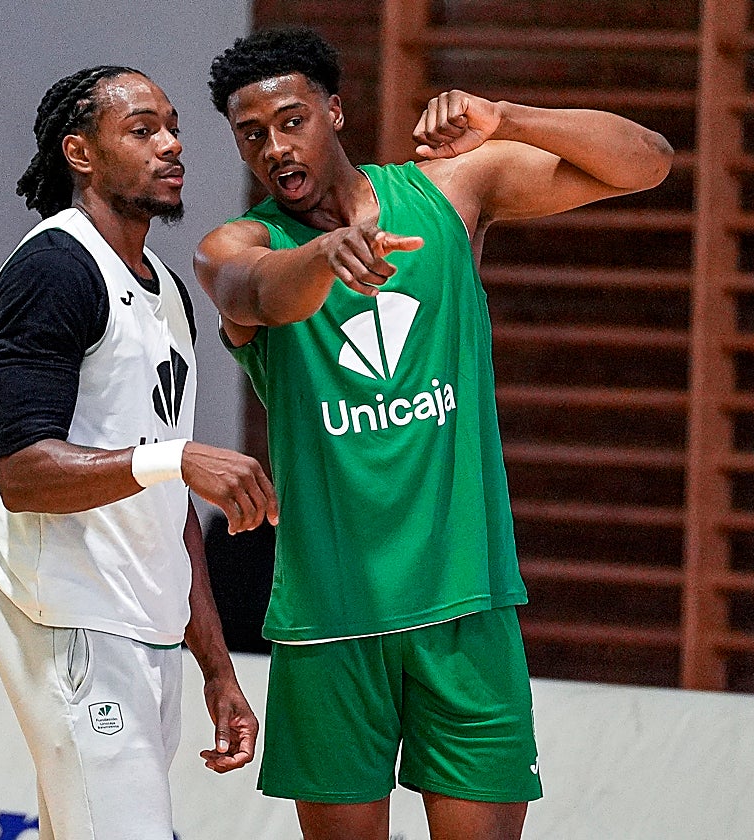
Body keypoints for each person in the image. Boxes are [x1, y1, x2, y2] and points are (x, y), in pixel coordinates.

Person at [195, 28, 673, 840]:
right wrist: (328, 256)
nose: (274, 148)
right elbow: (256, 292)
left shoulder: (447, 191)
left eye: (292, 120)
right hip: (330, 619)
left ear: (334, 111)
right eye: (251, 134)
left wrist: (507, 116)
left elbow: (648, 162)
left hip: (464, 602)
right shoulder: (240, 244)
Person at [0, 65, 279, 840]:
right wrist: (173, 460)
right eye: (142, 130)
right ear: (80, 152)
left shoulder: (168, 292)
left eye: (173, 127)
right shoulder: (54, 269)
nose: (171, 144)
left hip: (150, 632)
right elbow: (22, 473)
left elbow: (167, 507)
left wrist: (216, 666)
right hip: (74, 620)